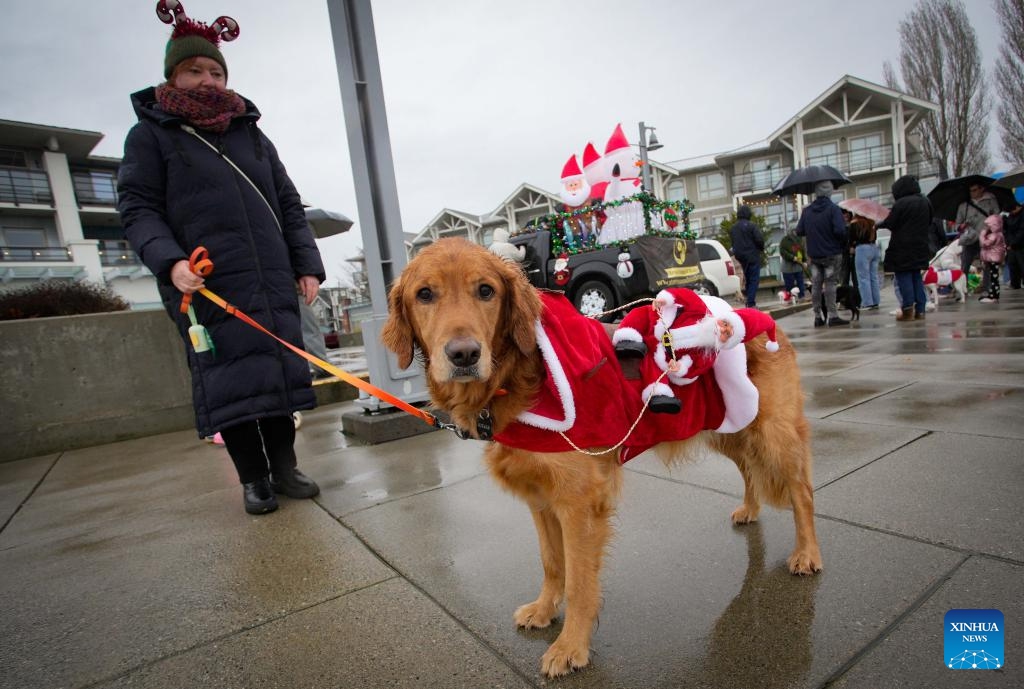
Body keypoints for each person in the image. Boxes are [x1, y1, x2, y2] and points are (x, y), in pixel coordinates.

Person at [117, 6, 325, 515]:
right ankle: (253, 478)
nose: (206, 79)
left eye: (215, 71)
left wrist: (307, 264)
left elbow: (287, 200)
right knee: (230, 380)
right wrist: (170, 262)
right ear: (173, 74)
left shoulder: (251, 133)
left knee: (278, 374)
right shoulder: (150, 135)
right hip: (205, 282)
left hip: (269, 277)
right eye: (194, 70)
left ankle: (285, 468)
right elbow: (137, 208)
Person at [877, 175, 932, 321]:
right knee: (916, 278)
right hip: (920, 246)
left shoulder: (901, 203)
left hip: (902, 248)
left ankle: (907, 309)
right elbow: (930, 221)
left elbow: (890, 222)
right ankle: (920, 310)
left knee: (904, 277)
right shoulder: (926, 202)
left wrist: (877, 224)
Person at [796, 181, 849, 327]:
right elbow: (840, 231)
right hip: (832, 253)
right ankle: (832, 315)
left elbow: (799, 231)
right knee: (831, 283)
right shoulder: (833, 209)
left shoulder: (807, 211)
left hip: (814, 255)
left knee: (816, 285)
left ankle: (817, 316)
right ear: (829, 192)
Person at [955, 182, 1001, 294]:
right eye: (970, 190)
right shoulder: (963, 205)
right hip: (970, 238)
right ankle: (962, 289)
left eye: (975, 190)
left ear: (981, 189)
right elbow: (957, 225)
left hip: (985, 237)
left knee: (987, 264)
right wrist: (961, 226)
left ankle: (987, 288)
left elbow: (997, 218)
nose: (972, 193)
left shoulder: (991, 201)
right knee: (965, 264)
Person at [729, 205, 764, 308]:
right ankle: (751, 302)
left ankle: (749, 299)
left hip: (741, 257)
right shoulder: (752, 226)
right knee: (754, 279)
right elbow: (759, 240)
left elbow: (733, 242)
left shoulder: (733, 228)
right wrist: (760, 249)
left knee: (747, 279)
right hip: (752, 255)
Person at [851, 213, 880, 310]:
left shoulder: (855, 223)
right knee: (874, 277)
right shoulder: (872, 222)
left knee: (863, 278)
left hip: (862, 249)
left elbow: (851, 238)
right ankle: (876, 301)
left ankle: (867, 302)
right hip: (874, 248)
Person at [978, 214, 1007, 303]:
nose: (986, 227)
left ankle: (993, 296)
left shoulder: (994, 235)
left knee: (993, 278)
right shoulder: (998, 234)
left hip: (993, 258)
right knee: (993, 277)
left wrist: (982, 235)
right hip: (993, 257)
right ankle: (993, 294)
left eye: (988, 225)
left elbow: (985, 244)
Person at [778, 226, 808, 301]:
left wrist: (804, 261)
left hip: (798, 265)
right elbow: (783, 252)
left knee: (800, 282)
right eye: (793, 231)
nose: (795, 233)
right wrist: (792, 257)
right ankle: (790, 298)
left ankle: (802, 296)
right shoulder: (784, 240)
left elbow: (802, 251)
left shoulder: (799, 240)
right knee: (789, 285)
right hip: (787, 267)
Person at [1004, 201, 1024, 289]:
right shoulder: (1010, 216)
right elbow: (1007, 230)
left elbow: (1022, 231)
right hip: (1011, 244)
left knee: (1022, 264)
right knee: (1012, 264)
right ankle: (1015, 283)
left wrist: (1013, 242)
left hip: (1021, 244)